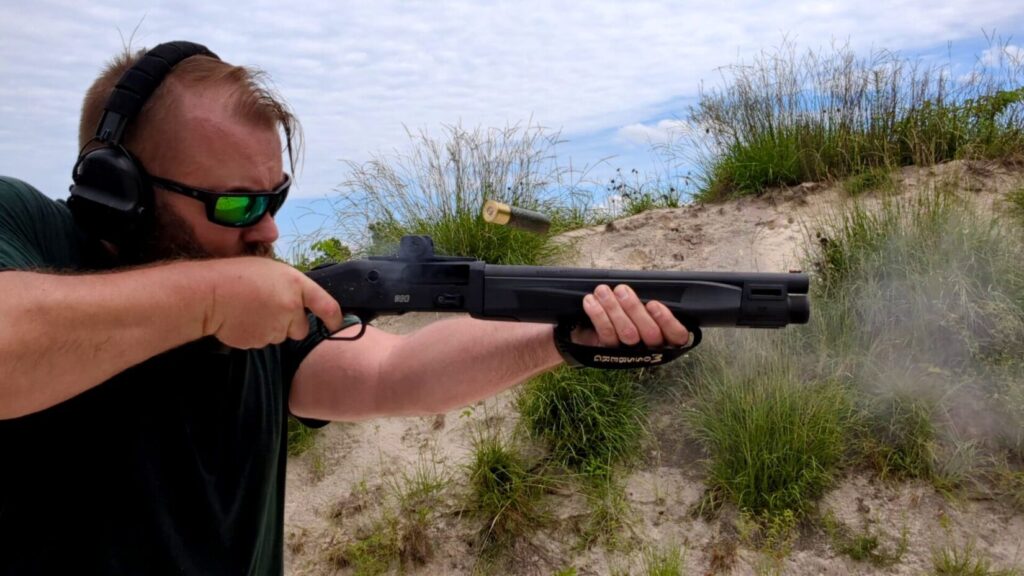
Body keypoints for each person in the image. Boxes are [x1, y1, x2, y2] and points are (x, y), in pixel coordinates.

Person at [0, 42, 689, 575]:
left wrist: (560, 337)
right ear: (118, 191)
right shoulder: (29, 230)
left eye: (276, 199)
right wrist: (211, 300)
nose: (268, 232)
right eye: (236, 204)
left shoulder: (250, 305)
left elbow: (394, 373)